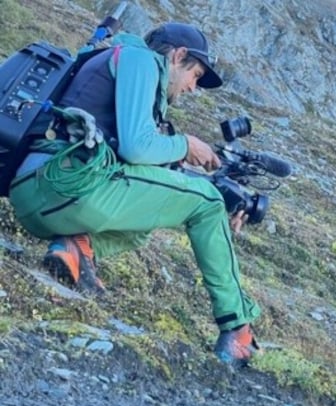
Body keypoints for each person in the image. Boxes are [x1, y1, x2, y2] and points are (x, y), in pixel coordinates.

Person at [8, 23, 260, 367]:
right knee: (208, 201)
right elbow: (137, 147)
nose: (193, 88)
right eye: (196, 76)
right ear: (178, 55)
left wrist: (211, 205)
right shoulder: (140, 60)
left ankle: (75, 247)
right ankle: (238, 328)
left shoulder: (108, 59)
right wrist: (186, 145)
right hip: (68, 184)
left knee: (146, 222)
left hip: (36, 194)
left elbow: (136, 169)